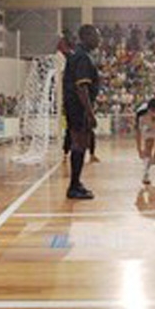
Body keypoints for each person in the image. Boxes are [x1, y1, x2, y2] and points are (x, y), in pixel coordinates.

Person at [63, 24, 101, 199]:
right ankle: (73, 186)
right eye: (96, 36)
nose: (99, 40)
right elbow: (82, 88)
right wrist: (90, 113)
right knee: (79, 144)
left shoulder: (79, 55)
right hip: (78, 107)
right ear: (86, 36)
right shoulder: (82, 57)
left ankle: (76, 183)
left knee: (81, 144)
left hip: (75, 107)